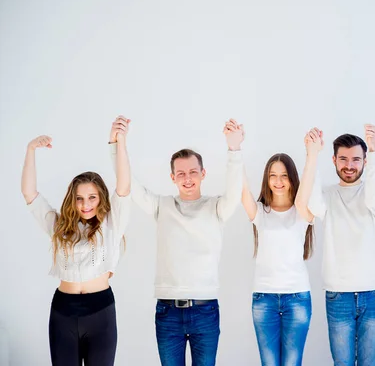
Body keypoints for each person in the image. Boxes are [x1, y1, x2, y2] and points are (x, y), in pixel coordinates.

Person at [110, 117, 244, 366]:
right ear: (172, 177)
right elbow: (127, 184)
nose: (188, 178)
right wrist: (117, 144)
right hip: (168, 312)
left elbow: (235, 192)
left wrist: (234, 149)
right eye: (181, 173)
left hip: (205, 311)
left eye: (193, 172)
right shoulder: (162, 206)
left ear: (203, 174)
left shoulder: (216, 207)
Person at [21, 116, 132, 365]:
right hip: (63, 311)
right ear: (72, 200)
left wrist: (118, 142)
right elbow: (30, 194)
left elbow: (124, 186)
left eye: (92, 197)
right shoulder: (60, 227)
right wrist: (30, 150)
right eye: (80, 198)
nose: (86, 204)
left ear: (101, 198)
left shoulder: (112, 224)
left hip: (100, 310)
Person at [295, 125, 375, 366]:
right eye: (343, 159)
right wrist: (312, 154)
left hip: (374, 292)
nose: (349, 165)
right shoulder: (327, 196)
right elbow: (307, 203)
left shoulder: (373, 192)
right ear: (334, 160)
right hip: (339, 294)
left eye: (356, 159)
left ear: (365, 162)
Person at [241, 150, 315, 366]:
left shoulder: (302, 211)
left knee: (292, 363)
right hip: (264, 299)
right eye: (273, 175)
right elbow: (243, 189)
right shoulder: (260, 212)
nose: (278, 181)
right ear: (267, 178)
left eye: (284, 175)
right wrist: (234, 148)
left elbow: (306, 188)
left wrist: (312, 154)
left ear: (292, 179)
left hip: (297, 299)